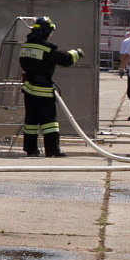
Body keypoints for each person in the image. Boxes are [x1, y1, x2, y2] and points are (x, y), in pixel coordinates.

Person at [17, 16, 84, 158]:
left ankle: (31, 149)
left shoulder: (25, 46)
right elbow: (65, 59)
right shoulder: (45, 47)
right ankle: (52, 150)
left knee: (31, 121)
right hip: (43, 89)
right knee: (49, 122)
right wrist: (76, 53)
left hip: (29, 88)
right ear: (46, 31)